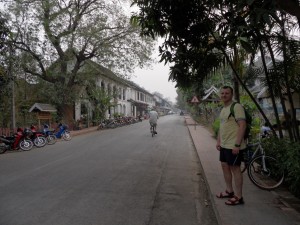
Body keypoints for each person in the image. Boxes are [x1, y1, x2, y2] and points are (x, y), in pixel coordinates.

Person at [216, 86, 246, 206]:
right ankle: (229, 191)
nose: (224, 95)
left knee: (235, 169)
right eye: (222, 93)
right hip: (224, 145)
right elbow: (222, 126)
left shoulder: (236, 107)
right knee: (225, 166)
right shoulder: (224, 109)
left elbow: (242, 125)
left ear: (231, 94)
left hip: (233, 145)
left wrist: (237, 144)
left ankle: (239, 196)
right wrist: (218, 141)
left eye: (226, 93)